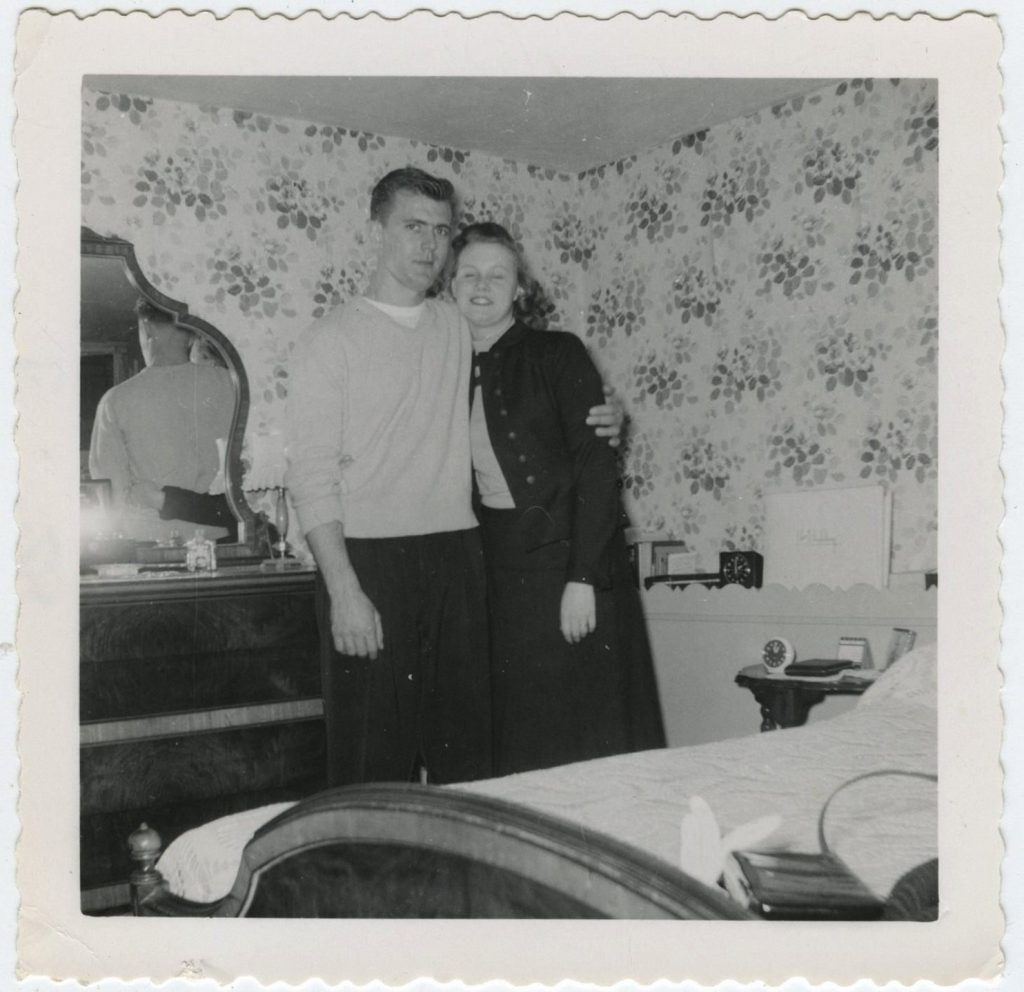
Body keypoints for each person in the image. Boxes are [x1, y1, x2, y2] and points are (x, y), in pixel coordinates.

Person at [285, 167, 622, 788]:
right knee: (371, 764)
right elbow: (309, 479)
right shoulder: (327, 341)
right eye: (413, 227)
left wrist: (600, 415)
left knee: (471, 762)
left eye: (441, 231)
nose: (429, 246)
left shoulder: (456, 324)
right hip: (368, 562)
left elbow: (528, 365)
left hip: (460, 559)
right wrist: (344, 591)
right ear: (375, 232)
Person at [450, 222, 666, 775]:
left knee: (582, 737)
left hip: (572, 561)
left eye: (497, 274)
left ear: (520, 288)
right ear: (448, 286)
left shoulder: (558, 352)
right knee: (520, 737)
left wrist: (583, 578)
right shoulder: (441, 366)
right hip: (498, 569)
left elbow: (596, 468)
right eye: (468, 274)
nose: (482, 285)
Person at [88, 300, 236, 542]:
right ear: (191, 335)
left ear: (147, 328)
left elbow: (109, 495)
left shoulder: (116, 400)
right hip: (224, 539)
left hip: (153, 543)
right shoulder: (231, 384)